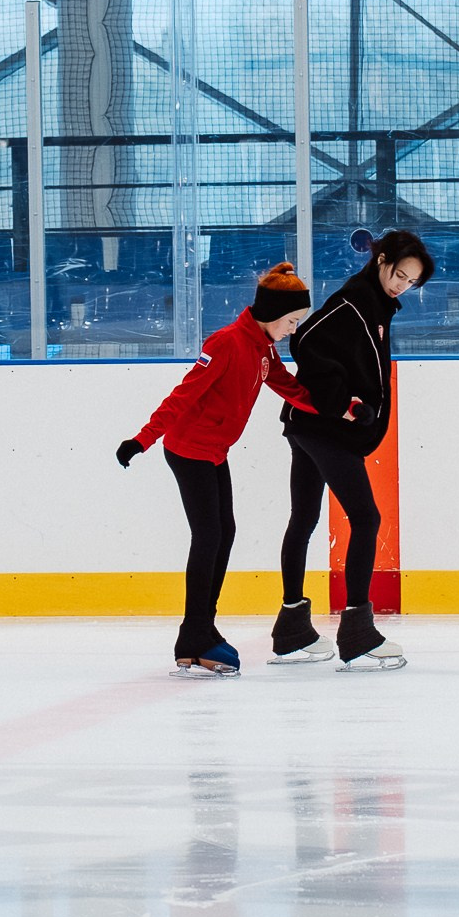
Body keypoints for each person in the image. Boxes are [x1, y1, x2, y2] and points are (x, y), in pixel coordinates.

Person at [118, 264, 314, 677]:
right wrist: (142, 439)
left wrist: (340, 410)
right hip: (188, 450)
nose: (294, 330)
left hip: (214, 453)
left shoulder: (264, 348)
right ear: (272, 314)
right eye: (292, 321)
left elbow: (289, 387)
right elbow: (184, 394)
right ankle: (195, 634)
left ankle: (200, 630)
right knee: (209, 535)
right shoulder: (225, 342)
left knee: (225, 531)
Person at [272, 229, 435, 672]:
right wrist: (342, 402)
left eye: (411, 282)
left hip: (311, 426)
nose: (402, 285)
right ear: (381, 260)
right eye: (399, 274)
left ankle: (291, 629)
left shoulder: (377, 304)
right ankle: (358, 631)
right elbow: (303, 341)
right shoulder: (354, 300)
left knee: (304, 519)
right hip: (325, 429)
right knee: (366, 519)